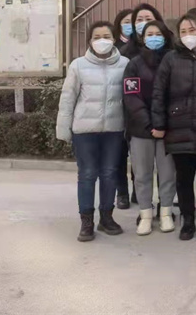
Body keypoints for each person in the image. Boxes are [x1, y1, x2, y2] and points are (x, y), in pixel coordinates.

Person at [152, 12, 196, 241]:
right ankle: (188, 219)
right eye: (183, 31)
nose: (188, 35)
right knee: (184, 179)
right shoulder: (170, 59)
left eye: (192, 30)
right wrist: (159, 124)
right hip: (178, 128)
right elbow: (159, 93)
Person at [56, 21, 129, 242]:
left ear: (114, 39)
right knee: (87, 174)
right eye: (97, 37)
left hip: (114, 130)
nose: (102, 41)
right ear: (90, 41)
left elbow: (130, 100)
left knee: (109, 173)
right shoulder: (78, 65)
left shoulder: (125, 64)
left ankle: (106, 217)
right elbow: (67, 99)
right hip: (84, 131)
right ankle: (86, 221)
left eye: (106, 36)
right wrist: (63, 128)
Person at [122, 20, 177, 236]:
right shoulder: (134, 64)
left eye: (158, 33)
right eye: (149, 34)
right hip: (141, 130)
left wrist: (163, 124)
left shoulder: (173, 60)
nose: (154, 37)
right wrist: (150, 124)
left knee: (167, 173)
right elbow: (131, 97)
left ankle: (166, 212)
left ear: (165, 36)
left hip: (168, 129)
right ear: (142, 38)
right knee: (142, 174)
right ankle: (145, 214)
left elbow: (177, 94)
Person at [118, 2, 164, 208]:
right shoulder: (125, 54)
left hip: (163, 121)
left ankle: (164, 204)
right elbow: (129, 93)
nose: (144, 23)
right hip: (136, 119)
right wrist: (144, 119)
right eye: (139, 19)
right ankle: (140, 198)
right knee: (139, 163)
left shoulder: (169, 53)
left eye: (149, 19)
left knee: (165, 167)